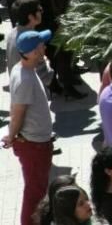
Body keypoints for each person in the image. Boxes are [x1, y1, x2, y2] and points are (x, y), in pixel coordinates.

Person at [3, 29, 55, 225]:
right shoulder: (25, 78)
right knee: (35, 193)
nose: (45, 46)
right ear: (33, 52)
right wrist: (11, 136)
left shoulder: (22, 68)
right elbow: (18, 113)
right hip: (34, 146)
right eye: (41, 44)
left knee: (37, 190)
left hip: (37, 143)